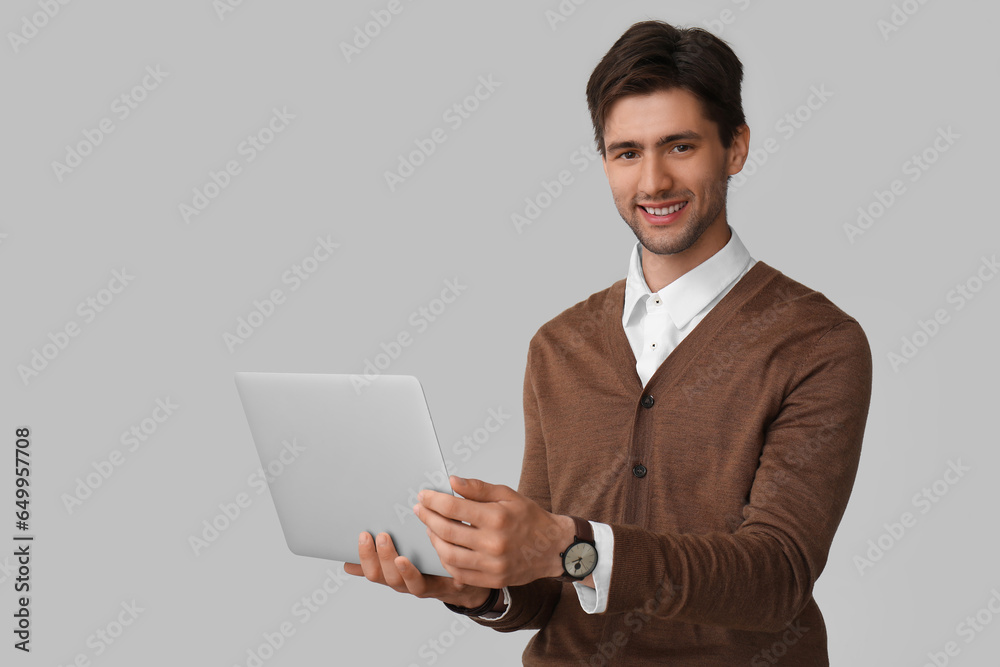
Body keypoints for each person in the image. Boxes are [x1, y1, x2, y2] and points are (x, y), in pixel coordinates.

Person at [346, 18, 873, 665]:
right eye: (627, 152)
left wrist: (572, 544)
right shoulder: (558, 346)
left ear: (735, 148)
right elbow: (546, 589)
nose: (652, 182)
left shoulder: (818, 343)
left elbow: (776, 576)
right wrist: (474, 587)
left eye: (679, 147)